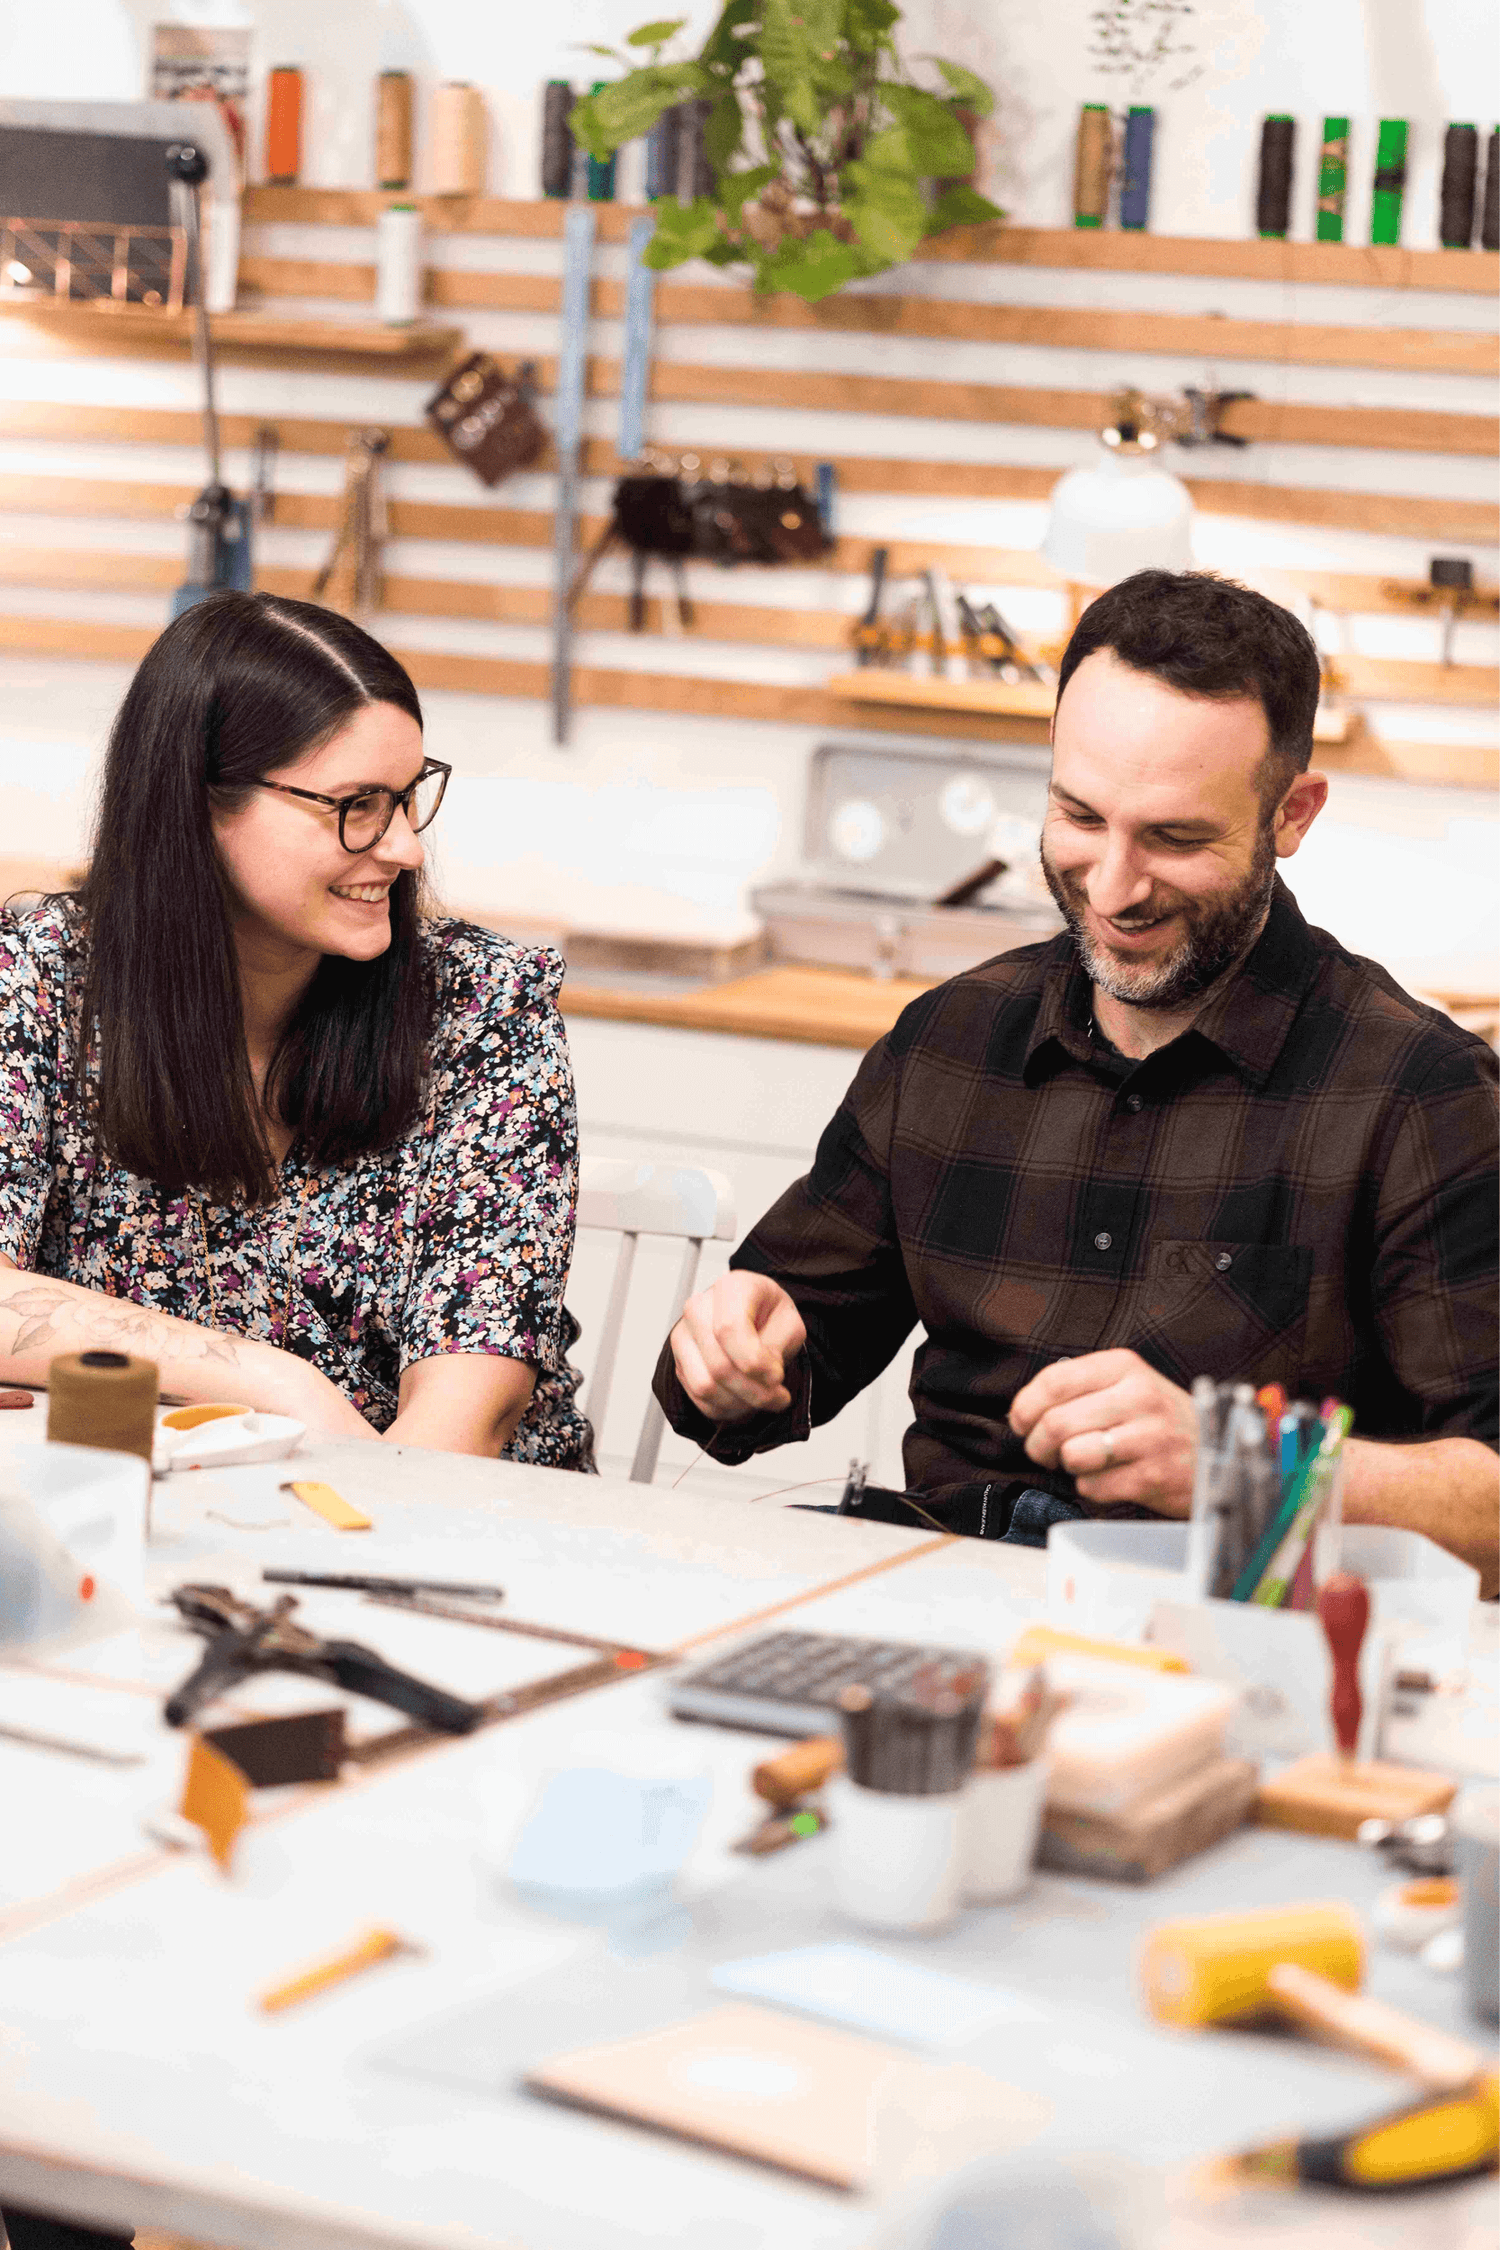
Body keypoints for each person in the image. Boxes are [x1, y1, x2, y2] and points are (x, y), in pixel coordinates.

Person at [655, 570, 1499, 1591]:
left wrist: (1246, 1469)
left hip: (1228, 1638)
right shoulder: (950, 1040)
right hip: (938, 1592)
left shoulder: (1421, 1094)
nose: (1113, 888)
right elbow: (777, 1345)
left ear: (1293, 814)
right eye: (1080, 817)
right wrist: (733, 1353)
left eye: (1177, 839)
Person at [0, 591, 592, 1468]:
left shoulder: (481, 1005)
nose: (403, 849)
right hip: (157, 1524)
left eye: (406, 796)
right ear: (199, 803)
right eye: (355, 804)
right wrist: (283, 1384)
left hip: (444, 1539)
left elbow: (463, 1427)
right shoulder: (39, 977)